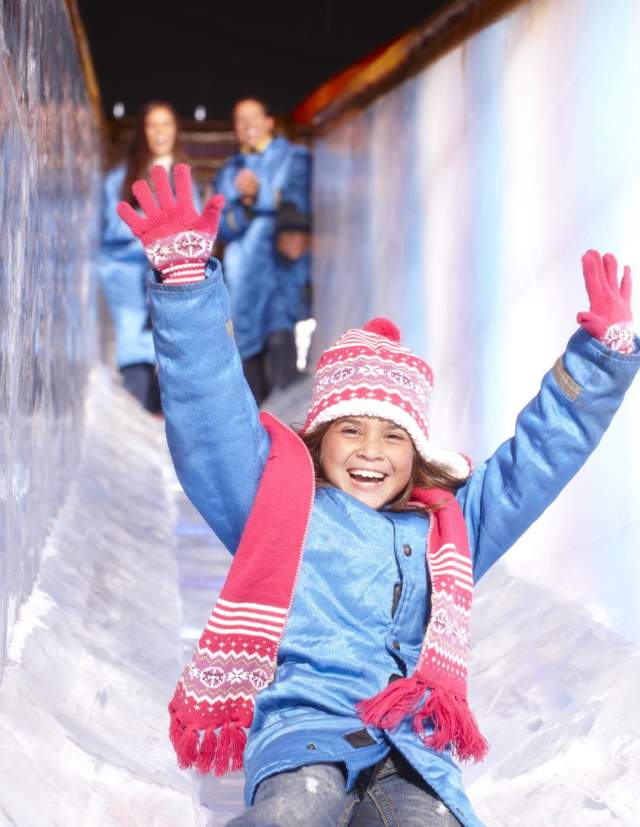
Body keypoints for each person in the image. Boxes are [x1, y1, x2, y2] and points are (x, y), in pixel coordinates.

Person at [117, 165, 639, 827]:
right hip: (305, 733)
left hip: (411, 746)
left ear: (416, 451)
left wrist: (599, 362)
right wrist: (188, 289)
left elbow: (530, 465)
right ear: (319, 439)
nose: (370, 450)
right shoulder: (281, 508)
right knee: (291, 818)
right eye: (350, 430)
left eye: (393, 435)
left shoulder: (447, 526)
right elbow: (212, 417)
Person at [98, 100, 197, 413]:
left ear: (176, 130)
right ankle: (135, 415)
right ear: (142, 130)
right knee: (132, 342)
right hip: (126, 273)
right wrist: (149, 229)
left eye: (166, 124)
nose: (160, 132)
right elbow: (111, 225)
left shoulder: (185, 178)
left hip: (170, 278)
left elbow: (194, 230)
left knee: (170, 345)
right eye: (152, 124)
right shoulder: (121, 178)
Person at [214, 97, 312, 404]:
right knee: (246, 351)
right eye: (240, 120)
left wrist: (258, 195)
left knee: (282, 337)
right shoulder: (228, 172)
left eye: (254, 117)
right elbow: (220, 225)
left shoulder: (294, 157)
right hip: (242, 276)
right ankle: (257, 427)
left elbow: (298, 198)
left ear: (270, 121)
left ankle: (290, 431)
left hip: (283, 267)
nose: (248, 125)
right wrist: (243, 205)